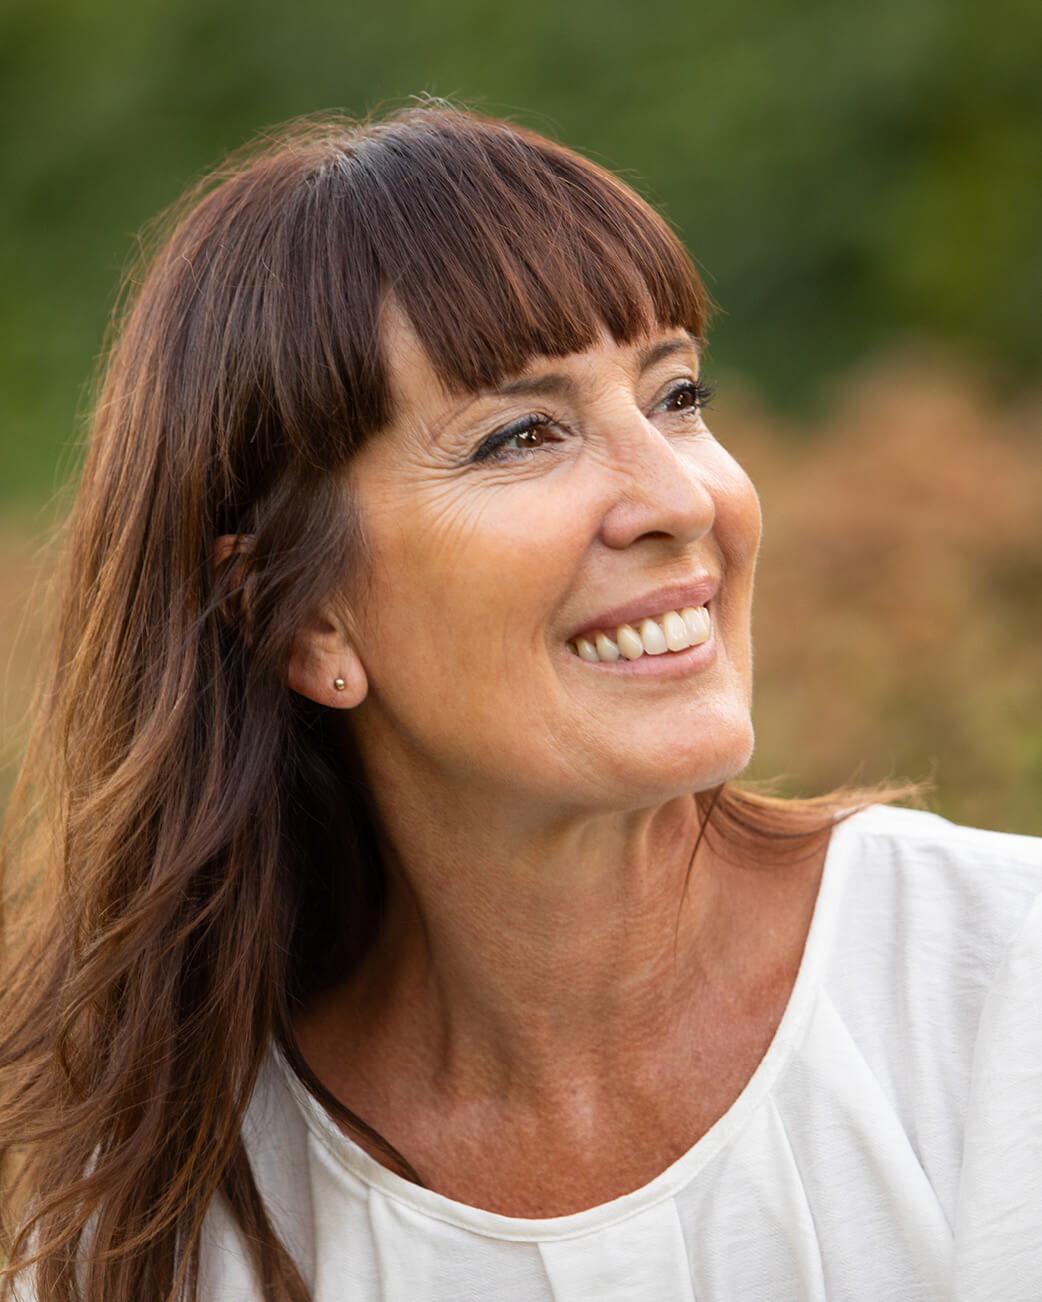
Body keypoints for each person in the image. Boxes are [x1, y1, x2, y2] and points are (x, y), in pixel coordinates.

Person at [1, 104, 1040, 1302]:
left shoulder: (998, 983)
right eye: (521, 436)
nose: (678, 498)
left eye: (676, 393)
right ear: (302, 620)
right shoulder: (161, 1224)